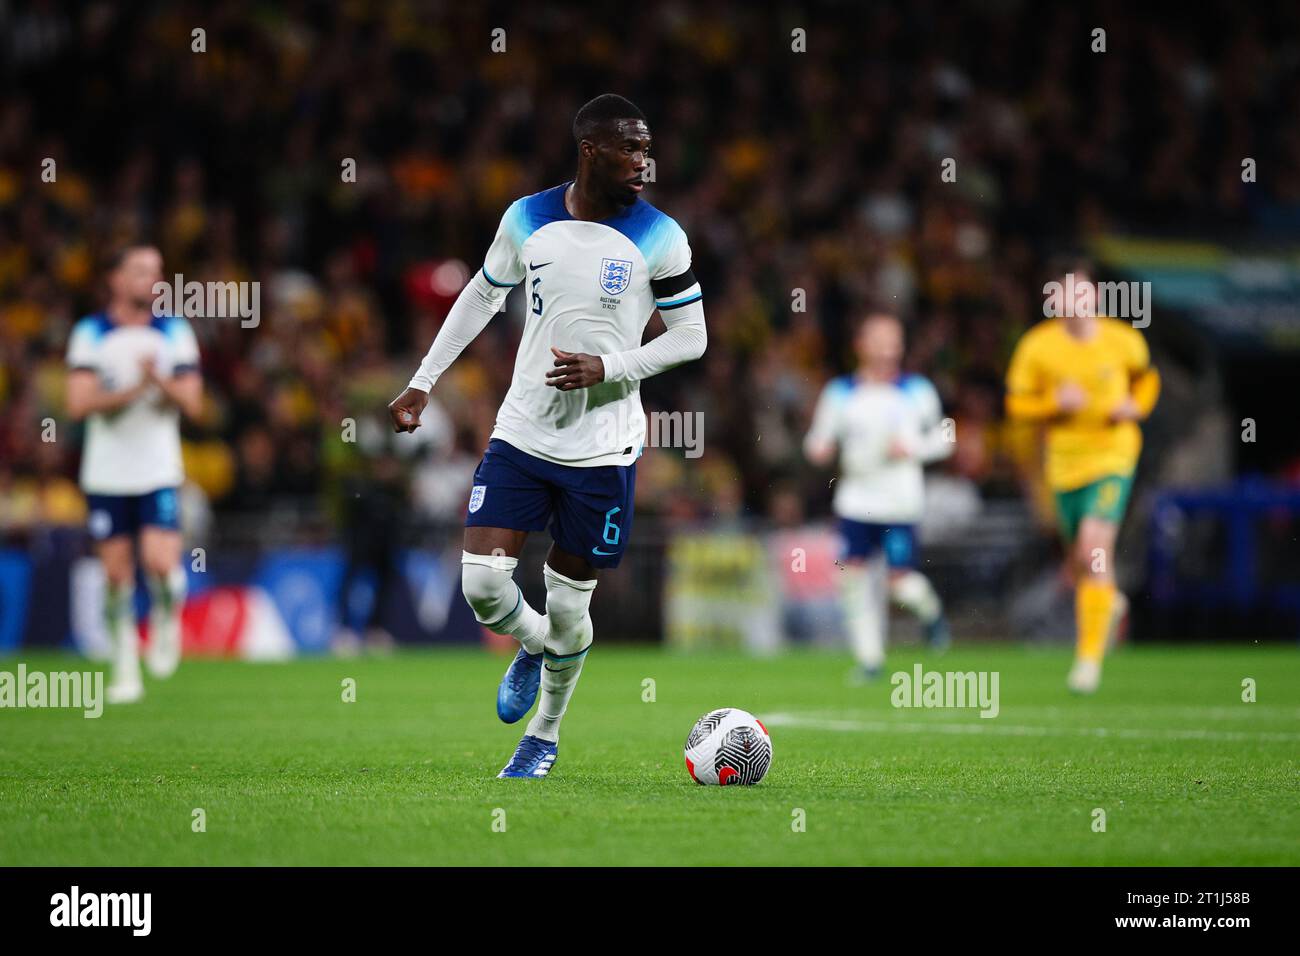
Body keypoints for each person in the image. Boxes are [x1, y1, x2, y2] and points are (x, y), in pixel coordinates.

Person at [388, 94, 706, 777]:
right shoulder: (525, 217)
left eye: (648, 149)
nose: (644, 162)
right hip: (523, 433)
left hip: (603, 448)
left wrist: (609, 366)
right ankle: (531, 645)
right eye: (631, 148)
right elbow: (479, 294)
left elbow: (693, 336)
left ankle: (545, 735)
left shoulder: (663, 237)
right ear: (592, 150)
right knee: (482, 586)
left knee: (570, 606)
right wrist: (424, 379)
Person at [1004, 262, 1160, 693]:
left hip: (1113, 456)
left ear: (1094, 298)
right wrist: (1053, 403)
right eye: (1063, 296)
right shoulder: (1038, 346)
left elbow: (1147, 380)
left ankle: (1088, 660)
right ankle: (1106, 601)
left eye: (1080, 294)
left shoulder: (1123, 339)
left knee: (1094, 547)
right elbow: (1017, 405)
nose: (1073, 303)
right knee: (1081, 561)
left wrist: (1137, 406)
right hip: (1064, 464)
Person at [66, 245, 202, 703]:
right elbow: (78, 404)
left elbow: (193, 402)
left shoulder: (174, 332)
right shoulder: (90, 333)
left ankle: (167, 612)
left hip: (157, 468)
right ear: (117, 279)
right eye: (142, 270)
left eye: (158, 271)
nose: (153, 279)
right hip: (106, 472)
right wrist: (135, 389)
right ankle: (125, 666)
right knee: (116, 577)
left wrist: (159, 383)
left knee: (160, 563)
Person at [804, 312, 953, 679]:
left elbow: (946, 436)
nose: (888, 348)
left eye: (893, 340)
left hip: (899, 500)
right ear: (861, 345)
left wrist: (913, 447)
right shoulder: (841, 392)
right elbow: (817, 438)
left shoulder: (916, 390)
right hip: (856, 498)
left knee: (899, 583)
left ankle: (931, 613)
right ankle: (870, 660)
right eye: (879, 339)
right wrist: (819, 448)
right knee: (851, 578)